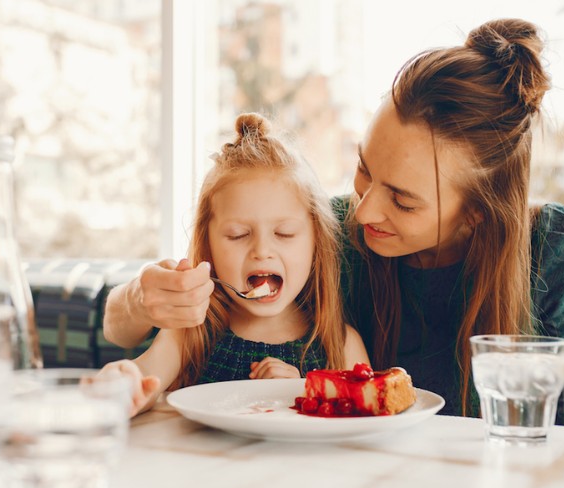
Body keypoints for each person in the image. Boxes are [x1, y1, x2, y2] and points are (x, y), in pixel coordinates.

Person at [104, 18, 564, 417]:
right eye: (364, 169)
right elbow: (130, 333)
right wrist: (141, 300)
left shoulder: (551, 248)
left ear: (475, 213)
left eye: (403, 200)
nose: (363, 211)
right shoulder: (326, 231)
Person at [102, 112, 369, 415]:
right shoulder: (190, 331)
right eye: (238, 235)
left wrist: (300, 394)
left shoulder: (340, 343)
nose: (262, 251)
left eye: (284, 233)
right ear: (209, 246)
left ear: (316, 244)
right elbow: (145, 382)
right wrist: (123, 384)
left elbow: (363, 419)